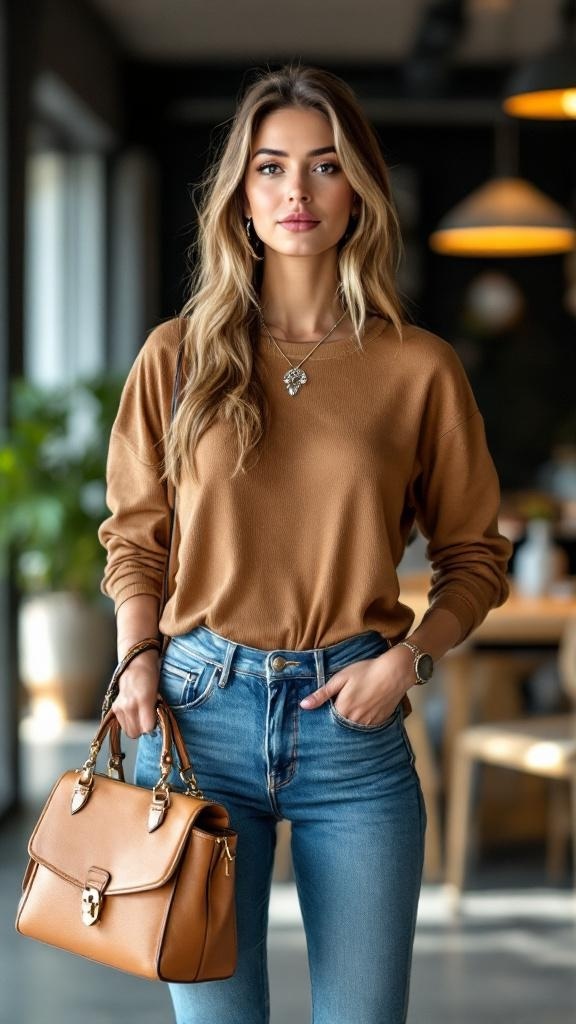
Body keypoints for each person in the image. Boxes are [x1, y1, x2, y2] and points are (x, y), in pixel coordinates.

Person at [98, 64, 512, 1024]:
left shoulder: (418, 367)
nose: (298, 191)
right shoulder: (176, 356)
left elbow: (475, 556)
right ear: (240, 195)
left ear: (358, 189)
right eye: (271, 167)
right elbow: (136, 537)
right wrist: (136, 658)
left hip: (352, 727)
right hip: (196, 719)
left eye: (325, 166)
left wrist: (409, 658)